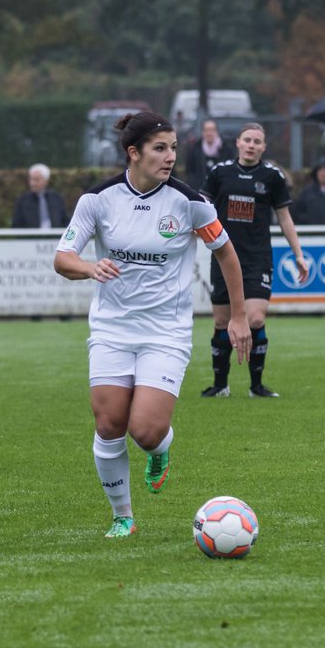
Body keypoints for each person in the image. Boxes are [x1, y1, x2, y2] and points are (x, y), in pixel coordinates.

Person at [53, 111, 250, 539]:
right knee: (109, 424)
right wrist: (90, 268)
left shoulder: (190, 202)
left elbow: (227, 254)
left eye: (174, 148)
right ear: (134, 152)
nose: (170, 157)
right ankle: (122, 516)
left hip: (166, 331)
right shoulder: (98, 200)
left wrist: (237, 317)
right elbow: (62, 258)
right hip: (112, 329)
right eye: (160, 148)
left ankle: (159, 450)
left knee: (145, 430)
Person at [199, 122, 308, 398]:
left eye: (257, 141)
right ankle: (220, 384)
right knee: (222, 323)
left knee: (256, 319)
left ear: (263, 147)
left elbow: (284, 217)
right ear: (237, 142)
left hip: (257, 258)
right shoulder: (220, 172)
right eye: (247, 140)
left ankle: (256, 385)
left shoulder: (272, 177)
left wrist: (298, 254)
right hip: (223, 258)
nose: (251, 145)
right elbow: (200, 208)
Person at [182, 119, 236, 191]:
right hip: (200, 191)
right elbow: (190, 172)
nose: (209, 133)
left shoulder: (227, 149)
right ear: (202, 132)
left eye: (212, 130)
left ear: (217, 131)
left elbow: (231, 171)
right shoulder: (194, 149)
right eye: (206, 130)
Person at [10, 163, 67, 228]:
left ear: (46, 181)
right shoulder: (23, 200)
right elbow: (16, 225)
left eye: (36, 180)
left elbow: (65, 221)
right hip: (31, 237)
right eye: (31, 179)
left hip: (55, 237)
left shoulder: (57, 198)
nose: (32, 183)